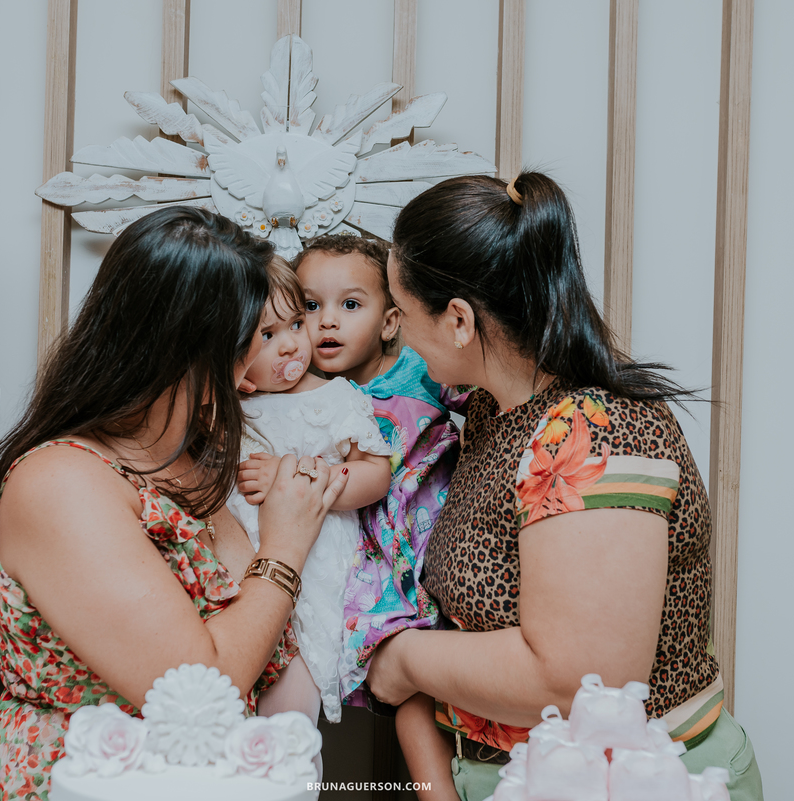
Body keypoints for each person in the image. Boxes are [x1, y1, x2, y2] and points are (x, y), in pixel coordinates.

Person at [366, 173, 764, 801]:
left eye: (403, 311)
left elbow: (582, 683)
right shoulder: (494, 408)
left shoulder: (594, 433)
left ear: (459, 321)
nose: (397, 331)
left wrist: (403, 660)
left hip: (629, 781)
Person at [0, 207, 348, 801]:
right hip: (85, 782)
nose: (257, 370)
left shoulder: (197, 456)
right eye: (252, 342)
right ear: (192, 350)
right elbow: (201, 688)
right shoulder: (62, 482)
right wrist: (287, 547)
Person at [292, 235, 468, 783]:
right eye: (309, 306)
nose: (326, 323)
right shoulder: (302, 393)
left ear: (390, 322)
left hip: (433, 536)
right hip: (369, 556)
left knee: (463, 676)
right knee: (407, 691)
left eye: (350, 305)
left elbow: (485, 389)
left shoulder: (418, 369)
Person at [228, 256, 392, 727]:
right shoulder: (230, 407)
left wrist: (290, 473)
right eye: (267, 335)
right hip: (240, 573)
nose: (291, 345)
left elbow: (373, 475)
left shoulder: (334, 397)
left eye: (296, 323)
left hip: (313, 569)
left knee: (288, 719)